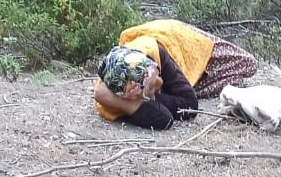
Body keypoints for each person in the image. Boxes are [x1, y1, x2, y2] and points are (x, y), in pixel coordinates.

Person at [92, 20, 259, 129]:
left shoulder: (151, 56)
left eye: (155, 73)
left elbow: (190, 105)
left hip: (179, 40)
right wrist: (126, 104)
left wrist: (153, 95)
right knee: (233, 81)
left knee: (249, 64)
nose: (159, 80)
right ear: (134, 95)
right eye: (150, 86)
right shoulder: (119, 85)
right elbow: (165, 118)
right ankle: (189, 80)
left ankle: (189, 76)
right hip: (168, 78)